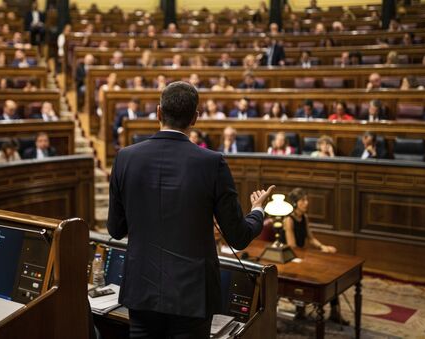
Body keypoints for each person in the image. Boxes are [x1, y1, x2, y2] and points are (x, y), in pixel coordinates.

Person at [107, 81, 274, 338]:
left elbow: (115, 230)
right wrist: (257, 211)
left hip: (141, 290)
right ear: (195, 118)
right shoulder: (212, 163)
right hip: (191, 295)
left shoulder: (125, 158)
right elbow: (238, 236)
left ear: (159, 113)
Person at [282, 188, 348, 325]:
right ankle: (300, 309)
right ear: (295, 203)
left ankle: (334, 312)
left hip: (300, 256)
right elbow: (292, 246)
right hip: (290, 259)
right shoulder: (288, 220)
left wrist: (323, 247)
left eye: (307, 199)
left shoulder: (304, 217)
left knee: (330, 273)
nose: (306, 203)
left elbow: (311, 238)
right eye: (303, 200)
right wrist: (310, 258)